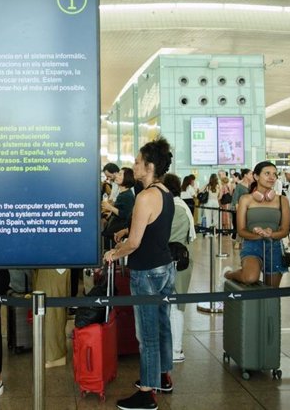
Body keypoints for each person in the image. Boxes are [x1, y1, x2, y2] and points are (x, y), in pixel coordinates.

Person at [103, 137, 175, 410]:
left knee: (147, 334)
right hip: (165, 267)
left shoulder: (145, 197)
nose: (134, 166)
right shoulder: (165, 192)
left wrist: (114, 252)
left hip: (146, 272)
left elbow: (134, 243)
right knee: (162, 325)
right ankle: (162, 376)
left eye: (137, 162)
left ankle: (147, 392)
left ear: (150, 166)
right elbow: (148, 231)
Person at [222, 161, 290, 288]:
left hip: (274, 246)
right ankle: (228, 274)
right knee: (250, 277)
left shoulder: (282, 200)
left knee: (272, 291)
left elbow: (285, 230)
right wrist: (260, 235)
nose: (272, 177)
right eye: (267, 173)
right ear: (256, 176)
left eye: (274, 174)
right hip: (252, 245)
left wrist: (271, 234)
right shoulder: (245, 199)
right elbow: (241, 230)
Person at [163, 173, 196, 363]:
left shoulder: (173, 208)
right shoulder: (183, 206)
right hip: (182, 260)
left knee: (174, 307)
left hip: (172, 261)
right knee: (176, 305)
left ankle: (176, 349)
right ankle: (175, 348)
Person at [101, 167, 136, 239]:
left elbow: (126, 214)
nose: (116, 176)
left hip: (118, 233)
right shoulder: (122, 193)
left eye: (120, 175)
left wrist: (110, 207)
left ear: (127, 178)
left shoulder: (127, 195)